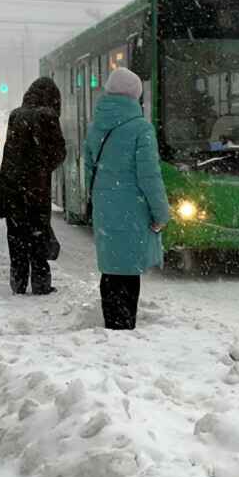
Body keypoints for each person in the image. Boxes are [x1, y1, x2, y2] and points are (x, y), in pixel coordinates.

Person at [84, 68, 169, 330]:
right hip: (133, 209)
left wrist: (100, 199)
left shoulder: (95, 127)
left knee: (110, 269)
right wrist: (161, 213)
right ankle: (123, 327)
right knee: (129, 272)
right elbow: (149, 176)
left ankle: (112, 323)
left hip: (105, 208)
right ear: (135, 95)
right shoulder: (140, 128)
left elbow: (89, 170)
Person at [0, 77, 67, 295]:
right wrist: (41, 168)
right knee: (38, 233)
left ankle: (18, 281)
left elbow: (9, 153)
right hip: (35, 189)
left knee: (16, 235)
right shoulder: (47, 115)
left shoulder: (16, 114)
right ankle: (40, 283)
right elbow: (58, 152)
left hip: (11, 187)